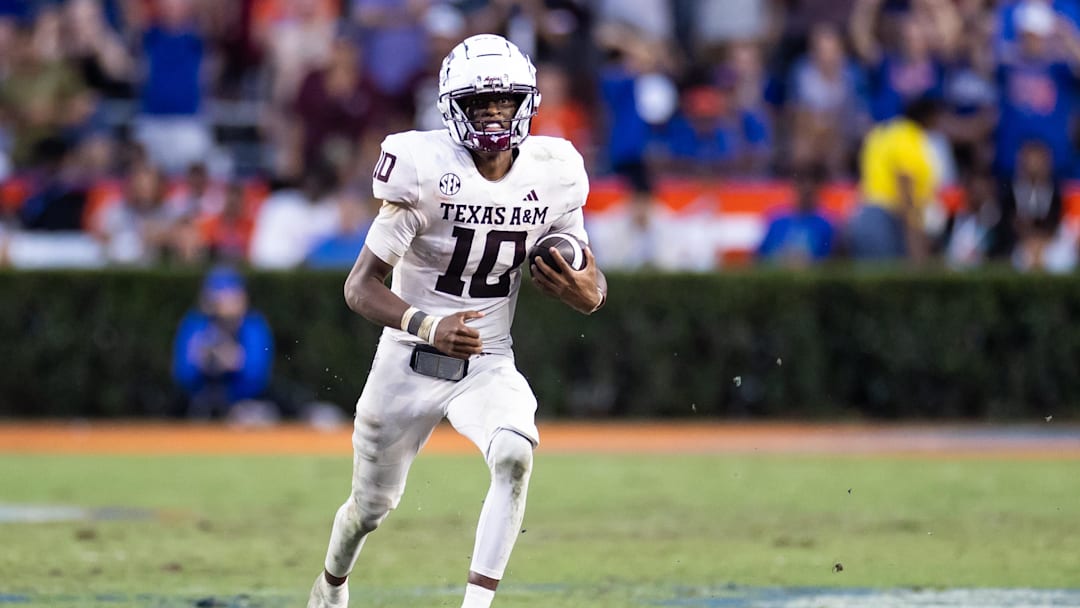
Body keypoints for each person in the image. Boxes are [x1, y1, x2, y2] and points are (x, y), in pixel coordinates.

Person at [307, 34, 608, 608]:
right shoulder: (423, 168)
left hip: (488, 360)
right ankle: (331, 584)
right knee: (369, 510)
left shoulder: (555, 171)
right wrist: (427, 324)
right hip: (408, 360)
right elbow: (359, 286)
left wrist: (586, 291)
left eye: (504, 101)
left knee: (516, 452)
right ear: (453, 107)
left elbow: (590, 276)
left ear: (527, 102)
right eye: (479, 103)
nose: (494, 113)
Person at [172, 266, 275, 419]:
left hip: (243, 401)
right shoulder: (196, 323)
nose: (229, 301)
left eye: (234, 295)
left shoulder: (253, 325)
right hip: (200, 400)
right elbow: (183, 373)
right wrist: (201, 362)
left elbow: (259, 375)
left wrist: (237, 362)